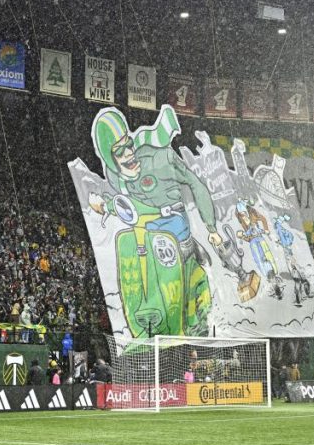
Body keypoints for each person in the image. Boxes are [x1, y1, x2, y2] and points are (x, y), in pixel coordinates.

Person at [88, 106, 221, 337]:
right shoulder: (115, 177)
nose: (129, 154)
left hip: (175, 232)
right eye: (120, 151)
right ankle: (150, 325)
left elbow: (194, 182)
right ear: (110, 158)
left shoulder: (160, 158)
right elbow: (127, 205)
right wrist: (105, 206)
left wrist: (211, 227)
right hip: (146, 237)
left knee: (189, 277)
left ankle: (198, 318)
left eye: (129, 145)